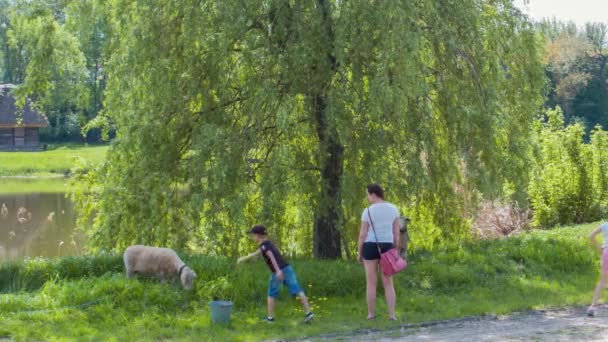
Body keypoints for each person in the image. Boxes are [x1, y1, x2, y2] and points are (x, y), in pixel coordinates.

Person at [237, 225, 314, 323]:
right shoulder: (267, 244)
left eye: (253, 235)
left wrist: (277, 271)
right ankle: (309, 313)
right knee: (297, 289)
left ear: (259, 235)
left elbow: (271, 255)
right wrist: (243, 258)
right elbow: (258, 253)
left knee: (271, 294)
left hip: (278, 271)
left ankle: (270, 318)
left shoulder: (265, 246)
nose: (252, 237)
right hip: (287, 268)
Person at [358, 183, 400, 320]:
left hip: (370, 246)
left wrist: (360, 252)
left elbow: (362, 234)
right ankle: (392, 315)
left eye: (368, 195)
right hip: (387, 246)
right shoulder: (394, 209)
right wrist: (396, 249)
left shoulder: (368, 211)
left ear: (374, 194)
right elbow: (396, 233)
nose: (367, 198)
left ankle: (371, 314)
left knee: (371, 282)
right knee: (388, 282)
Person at [587, 223, 608, 316]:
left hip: (606, 253)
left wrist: (599, 247)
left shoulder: (605, 225)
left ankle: (593, 306)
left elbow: (591, 236)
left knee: (602, 281)